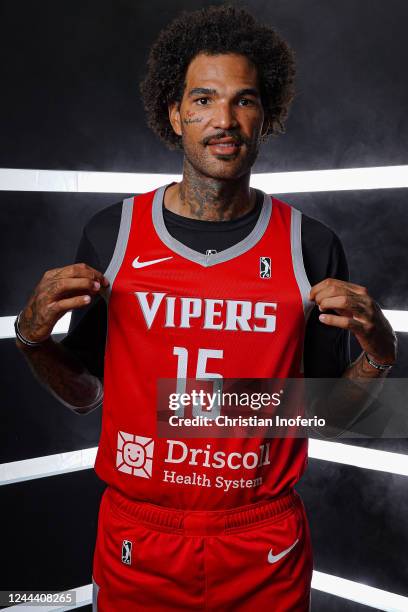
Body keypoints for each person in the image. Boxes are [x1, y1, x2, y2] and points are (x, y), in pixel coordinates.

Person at [15, 6, 397, 611]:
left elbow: (328, 415)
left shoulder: (311, 245)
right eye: (203, 99)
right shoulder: (112, 234)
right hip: (140, 537)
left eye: (244, 100)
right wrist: (32, 341)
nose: (224, 120)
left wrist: (382, 355)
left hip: (261, 541)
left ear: (265, 116)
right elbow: (87, 393)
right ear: (174, 112)